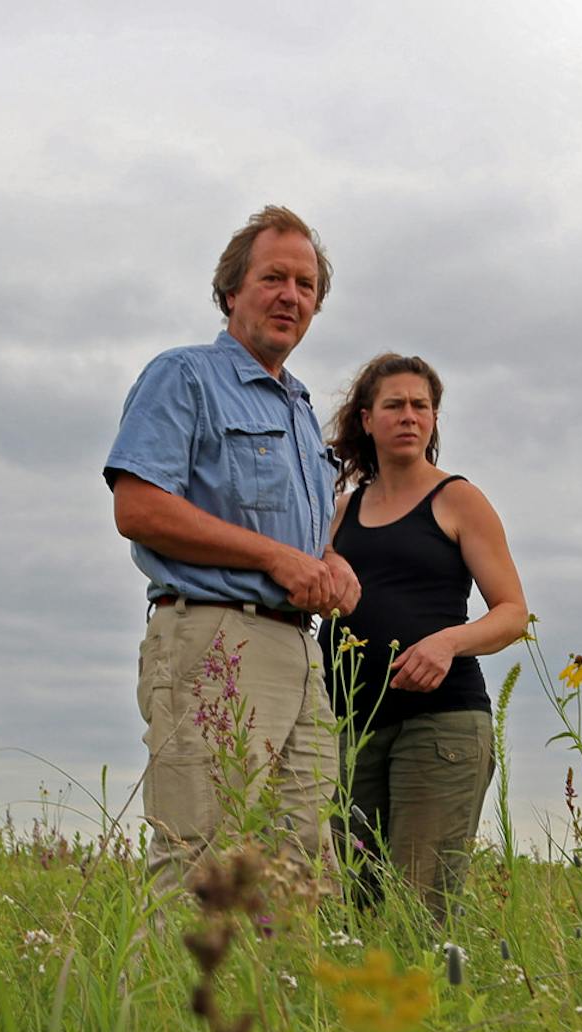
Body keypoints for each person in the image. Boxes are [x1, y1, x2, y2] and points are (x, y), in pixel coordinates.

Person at [104, 206, 360, 898]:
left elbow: (303, 536)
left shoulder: (301, 408)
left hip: (295, 650)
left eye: (306, 286)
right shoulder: (183, 376)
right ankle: (166, 1010)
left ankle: (276, 1008)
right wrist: (274, 559)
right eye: (273, 277)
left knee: (302, 866)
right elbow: (139, 507)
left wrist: (329, 562)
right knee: (201, 861)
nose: (291, 296)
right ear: (230, 294)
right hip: (214, 637)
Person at [317, 354, 527, 920]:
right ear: (366, 418)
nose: (409, 416)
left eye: (422, 406)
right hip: (349, 728)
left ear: (434, 420)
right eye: (394, 405)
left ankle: (428, 1007)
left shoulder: (458, 499)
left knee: (418, 906)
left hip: (441, 725)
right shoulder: (340, 511)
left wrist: (446, 643)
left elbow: (512, 613)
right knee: (350, 901)